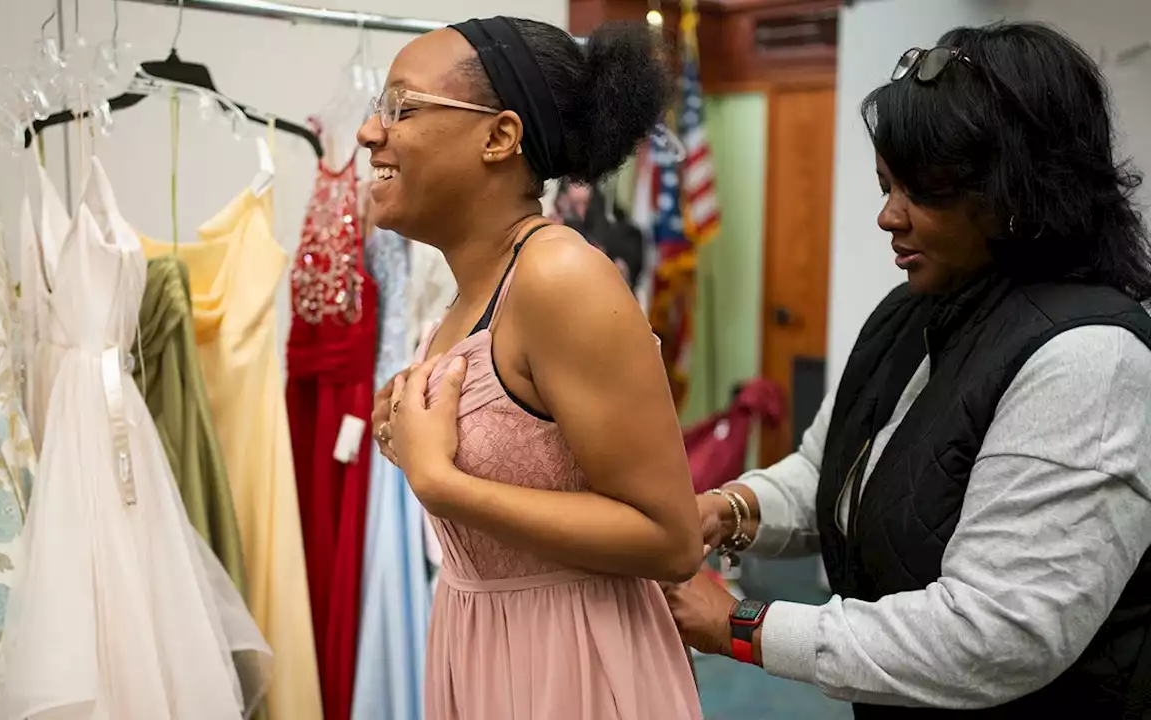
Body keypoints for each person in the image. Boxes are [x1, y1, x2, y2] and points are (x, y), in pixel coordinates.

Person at [663, 21, 1151, 718]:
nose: (889, 217)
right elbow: (827, 471)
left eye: (921, 191)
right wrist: (727, 510)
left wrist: (743, 627)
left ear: (1017, 192)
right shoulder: (912, 310)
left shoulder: (1088, 361)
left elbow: (990, 636)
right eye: (887, 185)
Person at [359, 16, 705, 720]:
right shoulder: (466, 297)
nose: (370, 133)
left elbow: (669, 539)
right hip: (479, 641)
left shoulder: (559, 276)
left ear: (499, 136)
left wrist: (442, 483)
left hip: (572, 661)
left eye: (402, 107)